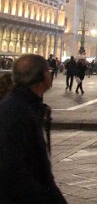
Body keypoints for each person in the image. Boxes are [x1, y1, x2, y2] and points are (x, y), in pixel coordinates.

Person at [0, 54, 67, 203]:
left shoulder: (27, 107)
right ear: (42, 76)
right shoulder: (15, 111)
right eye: (48, 71)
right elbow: (12, 169)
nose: (51, 74)